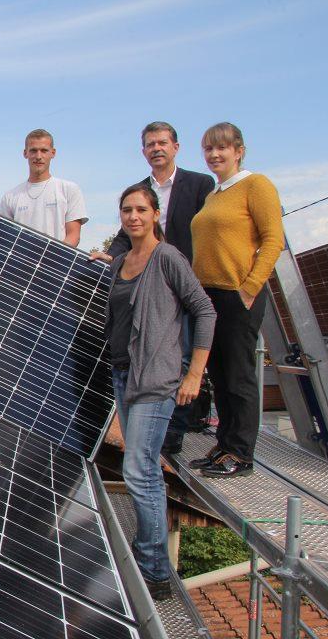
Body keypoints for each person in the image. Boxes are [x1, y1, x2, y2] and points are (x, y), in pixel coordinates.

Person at [106, 184, 215, 600]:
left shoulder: (166, 257)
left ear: (154, 215)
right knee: (141, 468)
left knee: (139, 469)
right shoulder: (120, 263)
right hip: (123, 376)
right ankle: (145, 550)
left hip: (156, 379)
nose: (133, 216)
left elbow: (204, 310)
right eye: (126, 210)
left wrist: (194, 373)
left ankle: (153, 571)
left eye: (140, 209)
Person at [92, 122, 215, 455]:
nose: (156, 148)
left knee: (182, 358)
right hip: (147, 286)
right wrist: (113, 256)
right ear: (143, 151)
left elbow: (210, 229)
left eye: (162, 143)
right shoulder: (139, 189)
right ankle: (160, 437)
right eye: (150, 144)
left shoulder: (200, 184)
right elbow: (123, 237)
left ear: (175, 147)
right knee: (155, 359)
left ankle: (173, 435)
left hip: (181, 280)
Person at [188, 123, 284, 478]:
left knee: (239, 375)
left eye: (222, 148)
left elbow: (273, 239)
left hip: (236, 294)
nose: (214, 155)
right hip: (208, 296)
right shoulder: (215, 194)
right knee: (219, 373)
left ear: (239, 150)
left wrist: (250, 287)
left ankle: (241, 454)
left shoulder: (255, 185)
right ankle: (225, 445)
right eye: (209, 150)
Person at [0, 129, 88, 246]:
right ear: (25, 153)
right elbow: (3, 236)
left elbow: (73, 235)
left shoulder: (69, 190)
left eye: (44, 150)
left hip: (56, 262)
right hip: (19, 262)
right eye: (33, 151)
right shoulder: (10, 197)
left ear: (53, 153)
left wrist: (51, 260)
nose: (38, 156)